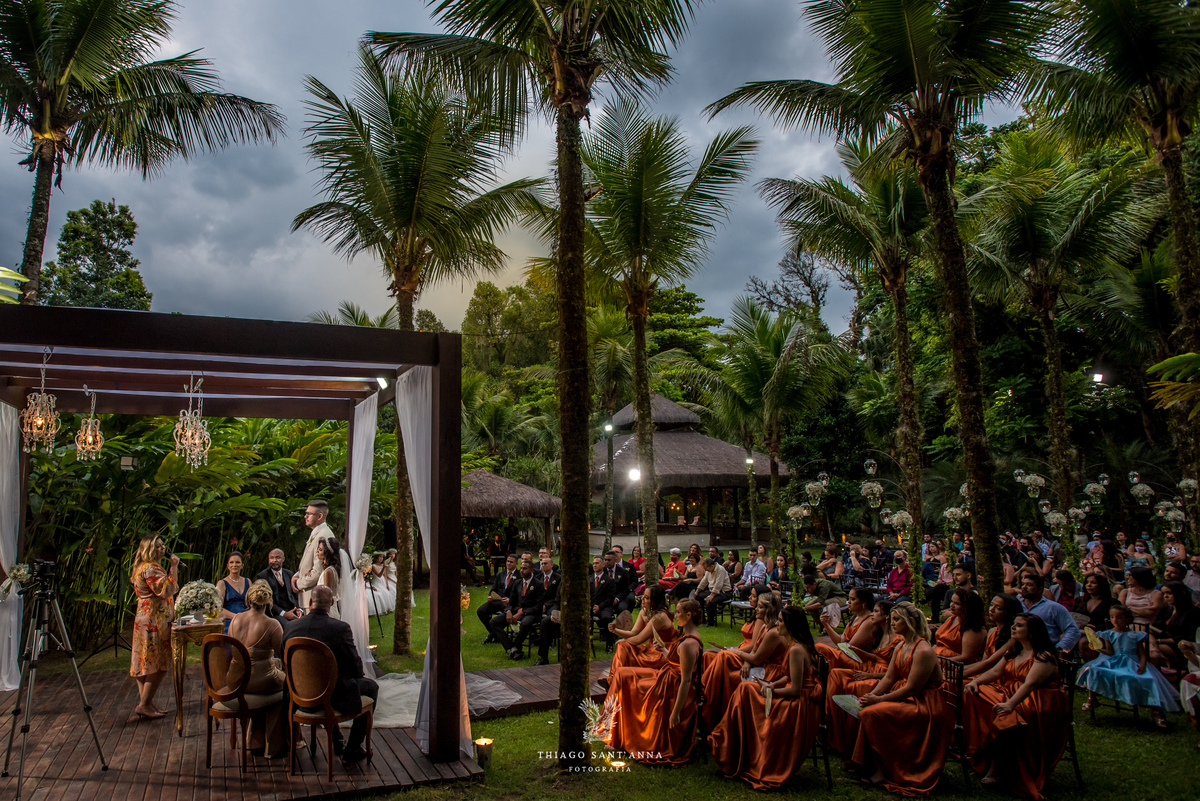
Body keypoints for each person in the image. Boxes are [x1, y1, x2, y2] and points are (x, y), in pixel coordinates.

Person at [709, 605, 821, 790]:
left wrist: (771, 691)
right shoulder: (796, 645)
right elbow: (790, 677)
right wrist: (772, 685)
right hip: (794, 695)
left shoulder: (796, 650)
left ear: (790, 625)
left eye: (781, 621)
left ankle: (730, 745)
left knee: (745, 690)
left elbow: (795, 689)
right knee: (745, 689)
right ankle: (733, 744)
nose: (777, 625)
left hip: (799, 705)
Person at [848, 602, 953, 795]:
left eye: (897, 619)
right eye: (893, 619)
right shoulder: (901, 645)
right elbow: (889, 678)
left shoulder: (923, 651)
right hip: (908, 696)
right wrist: (872, 695)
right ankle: (869, 764)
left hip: (925, 704)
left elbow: (912, 688)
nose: (892, 622)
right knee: (867, 708)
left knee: (873, 713)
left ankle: (883, 770)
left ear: (910, 621)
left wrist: (880, 701)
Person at [963, 614, 1069, 800]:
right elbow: (995, 671)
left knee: (1006, 717)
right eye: (1014, 624)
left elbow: (1030, 684)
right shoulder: (1014, 650)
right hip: (1012, 693)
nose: (1013, 628)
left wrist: (1010, 705)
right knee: (974, 691)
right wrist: (976, 681)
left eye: (1019, 626)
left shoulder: (1044, 656)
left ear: (1032, 632)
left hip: (1038, 700)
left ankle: (997, 768)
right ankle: (983, 748)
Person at [282, 586, 378, 763]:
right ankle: (353, 747)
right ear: (332, 602)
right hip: (332, 696)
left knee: (327, 686)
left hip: (297, 695)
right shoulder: (340, 628)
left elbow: (285, 661)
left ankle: (337, 737)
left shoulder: (290, 627)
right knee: (371, 687)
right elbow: (356, 668)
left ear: (311, 602)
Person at [603, 598, 704, 765]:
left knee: (626, 681)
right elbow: (678, 664)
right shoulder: (687, 637)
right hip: (666, 677)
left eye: (678, 613)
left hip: (670, 687)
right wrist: (664, 651)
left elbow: (685, 681)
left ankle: (621, 737)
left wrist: (675, 712)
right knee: (622, 674)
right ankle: (616, 734)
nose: (675, 616)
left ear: (689, 615)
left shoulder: (689, 644)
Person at [1078, 603, 1181, 728]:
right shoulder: (1108, 634)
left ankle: (1156, 710)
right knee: (1092, 669)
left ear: (1127, 619)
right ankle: (1092, 698)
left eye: (1119, 617)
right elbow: (1110, 651)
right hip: (1114, 660)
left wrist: (1143, 664)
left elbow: (1142, 653)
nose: (1115, 620)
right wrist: (1098, 649)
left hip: (1131, 661)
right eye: (1112, 617)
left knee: (1147, 678)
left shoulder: (1134, 635)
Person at [700, 591, 786, 729]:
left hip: (770, 672)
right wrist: (745, 660)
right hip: (758, 663)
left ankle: (708, 702)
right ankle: (708, 699)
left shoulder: (773, 633)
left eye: (760, 607)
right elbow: (754, 651)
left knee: (725, 662)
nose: (756, 609)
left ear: (769, 610)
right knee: (718, 657)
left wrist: (735, 651)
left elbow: (756, 658)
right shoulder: (765, 626)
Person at [229, 579, 287, 757]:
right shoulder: (272, 624)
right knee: (288, 687)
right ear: (268, 602)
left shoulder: (236, 619)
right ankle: (275, 745)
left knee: (270, 682)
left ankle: (255, 741)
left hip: (236, 680)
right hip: (259, 681)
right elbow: (283, 656)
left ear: (248, 600)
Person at [130, 536, 178, 720]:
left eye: (162, 545)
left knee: (145, 660)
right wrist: (174, 567)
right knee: (159, 662)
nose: (162, 548)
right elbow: (167, 589)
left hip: (145, 617)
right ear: (148, 549)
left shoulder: (141, 566)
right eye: (157, 546)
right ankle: (144, 704)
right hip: (154, 620)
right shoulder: (151, 567)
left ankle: (147, 703)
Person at [609, 585, 676, 673]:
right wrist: (615, 630)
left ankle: (614, 676)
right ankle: (613, 676)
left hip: (660, 653)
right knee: (623, 646)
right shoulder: (644, 611)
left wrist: (624, 640)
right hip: (649, 648)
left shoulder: (660, 617)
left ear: (655, 601)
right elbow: (633, 633)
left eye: (647, 598)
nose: (642, 599)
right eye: (643, 595)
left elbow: (638, 639)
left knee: (623, 645)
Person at [1018, 572, 1080, 654]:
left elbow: (1073, 630)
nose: (1024, 587)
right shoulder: (1015, 605)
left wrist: (1059, 648)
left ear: (1040, 589)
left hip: (1044, 652)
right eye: (1023, 584)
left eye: (1029, 585)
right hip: (1018, 652)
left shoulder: (1053, 607)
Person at [816, 587, 877, 665]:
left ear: (863, 603)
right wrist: (826, 624)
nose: (849, 602)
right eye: (849, 599)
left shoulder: (869, 621)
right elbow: (841, 641)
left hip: (858, 660)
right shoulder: (855, 617)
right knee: (819, 650)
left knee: (820, 648)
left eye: (853, 599)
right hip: (846, 654)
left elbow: (850, 648)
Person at [295, 499, 334, 608]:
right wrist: (296, 576)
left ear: (320, 516)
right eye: (306, 513)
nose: (305, 516)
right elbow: (308, 563)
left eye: (309, 514)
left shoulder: (324, 535)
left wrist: (298, 584)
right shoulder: (316, 533)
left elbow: (318, 571)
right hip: (307, 595)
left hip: (315, 597)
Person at [1153, 581, 1200, 671]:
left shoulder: (1193, 613)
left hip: (1180, 648)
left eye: (1169, 593)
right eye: (1163, 594)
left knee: (1150, 649)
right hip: (1159, 643)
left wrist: (1158, 641)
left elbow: (1187, 637)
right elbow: (1154, 627)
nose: (1165, 596)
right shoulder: (1165, 610)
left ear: (1181, 593)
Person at [935, 588, 986, 664]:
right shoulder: (952, 619)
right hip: (937, 657)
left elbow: (967, 657)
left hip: (953, 665)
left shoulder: (973, 627)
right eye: (952, 601)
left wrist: (938, 662)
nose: (951, 605)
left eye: (957, 604)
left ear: (967, 607)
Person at [479, 554, 518, 644]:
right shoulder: (500, 575)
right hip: (498, 601)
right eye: (507, 561)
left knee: (504, 617)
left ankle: (492, 636)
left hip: (510, 603)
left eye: (511, 562)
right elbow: (493, 589)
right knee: (481, 611)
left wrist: (510, 600)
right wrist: (491, 596)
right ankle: (495, 634)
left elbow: (520, 593)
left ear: (516, 563)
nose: (508, 563)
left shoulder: (519, 575)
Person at [257, 548, 302, 622]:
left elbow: (296, 595)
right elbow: (266, 600)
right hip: (274, 614)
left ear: (283, 559)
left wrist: (299, 609)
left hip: (292, 610)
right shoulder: (262, 576)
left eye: (277, 557)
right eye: (272, 558)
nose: (274, 560)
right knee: (287, 624)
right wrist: (284, 614)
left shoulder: (290, 574)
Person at [533, 556, 562, 666]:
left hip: (553, 605)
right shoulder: (537, 578)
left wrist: (546, 605)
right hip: (539, 605)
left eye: (545, 563)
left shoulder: (558, 579)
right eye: (542, 564)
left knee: (548, 620)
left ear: (551, 565)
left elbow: (557, 598)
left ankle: (543, 655)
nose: (543, 565)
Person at [216, 551, 250, 634]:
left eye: (237, 562)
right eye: (231, 562)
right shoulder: (222, 583)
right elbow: (218, 609)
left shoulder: (248, 581)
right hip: (230, 620)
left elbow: (253, 604)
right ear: (228, 566)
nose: (234, 565)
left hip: (247, 620)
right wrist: (237, 617)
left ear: (242, 565)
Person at [589, 556, 618, 650]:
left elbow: (610, 598)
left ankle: (609, 644)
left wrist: (599, 607)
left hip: (604, 607)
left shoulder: (609, 580)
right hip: (590, 606)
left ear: (603, 565)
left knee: (606, 618)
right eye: (594, 563)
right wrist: (592, 606)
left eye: (597, 563)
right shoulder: (588, 579)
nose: (595, 565)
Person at [694, 557, 733, 626]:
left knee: (710, 601)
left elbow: (719, 584)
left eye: (707, 569)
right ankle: (702, 619)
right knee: (698, 597)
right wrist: (697, 591)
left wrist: (711, 595)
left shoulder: (720, 570)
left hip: (723, 592)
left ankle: (710, 621)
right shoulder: (708, 571)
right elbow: (704, 581)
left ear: (712, 566)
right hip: (712, 590)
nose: (706, 570)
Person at [315, 537, 345, 619]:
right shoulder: (330, 570)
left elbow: (326, 595)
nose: (317, 551)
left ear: (327, 552)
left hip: (329, 611)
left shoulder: (328, 572)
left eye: (320, 549)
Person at [366, 552, 395, 617]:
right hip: (377, 581)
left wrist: (387, 584)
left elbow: (385, 576)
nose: (381, 559)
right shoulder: (373, 566)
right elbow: (379, 575)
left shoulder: (383, 565)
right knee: (382, 593)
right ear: (376, 558)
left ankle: (388, 608)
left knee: (387, 593)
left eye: (382, 557)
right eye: (380, 557)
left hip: (383, 581)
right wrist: (383, 568)